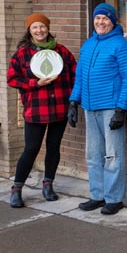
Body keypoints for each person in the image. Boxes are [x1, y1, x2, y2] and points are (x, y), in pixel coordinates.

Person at [67, 3, 127, 215]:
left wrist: (121, 109)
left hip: (110, 107)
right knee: (92, 154)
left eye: (105, 19)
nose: (100, 22)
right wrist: (73, 102)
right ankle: (97, 195)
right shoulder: (88, 44)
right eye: (97, 19)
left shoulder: (120, 45)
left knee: (113, 155)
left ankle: (114, 198)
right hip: (89, 107)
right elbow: (80, 77)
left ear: (113, 21)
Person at [7, 13, 77, 208]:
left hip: (59, 107)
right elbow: (12, 79)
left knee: (54, 147)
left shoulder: (61, 51)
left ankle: (48, 184)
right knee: (31, 149)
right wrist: (35, 83)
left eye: (42, 27)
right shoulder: (23, 54)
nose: (39, 30)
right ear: (29, 30)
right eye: (35, 27)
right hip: (36, 108)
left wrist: (73, 101)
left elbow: (74, 76)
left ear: (48, 28)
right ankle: (17, 188)